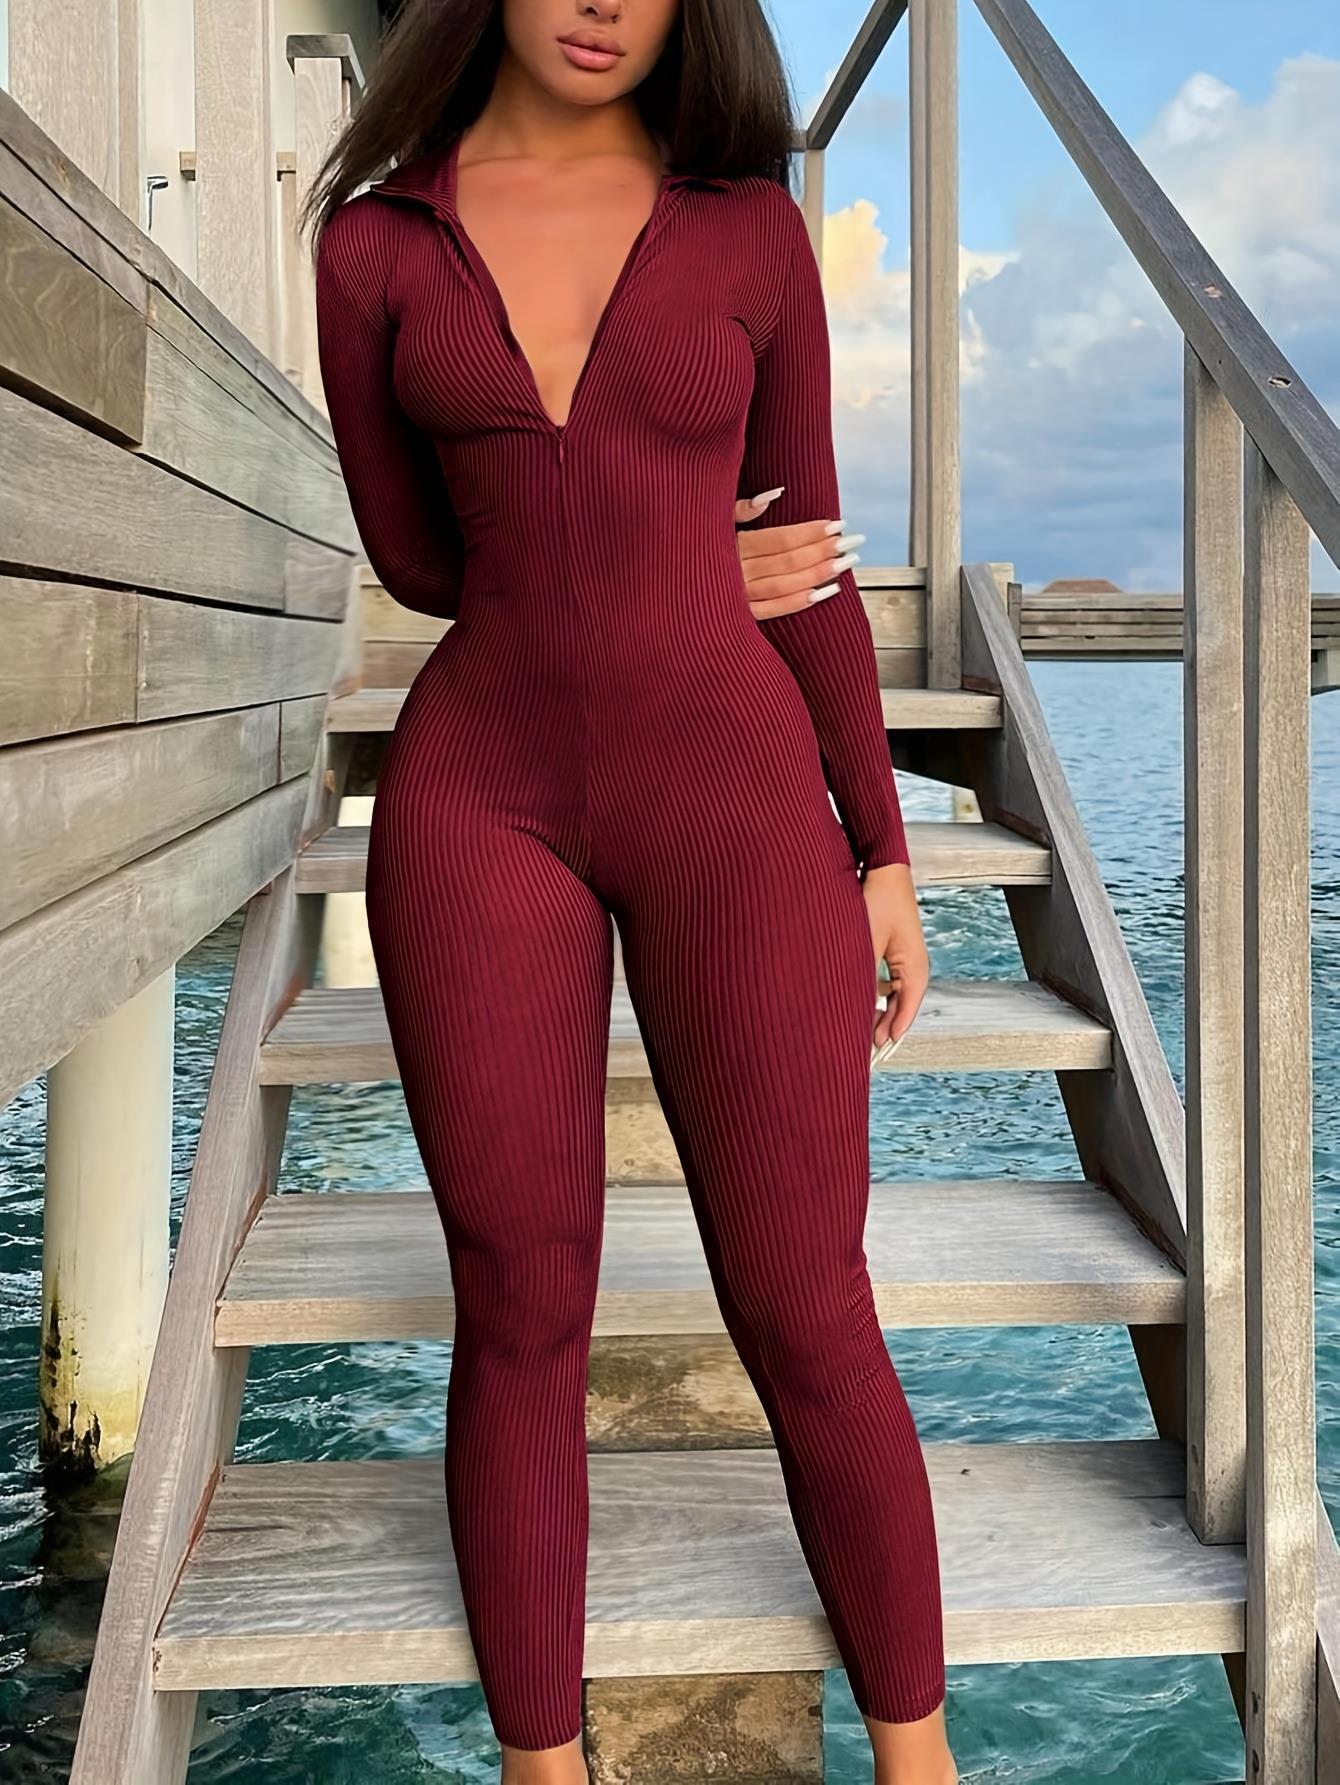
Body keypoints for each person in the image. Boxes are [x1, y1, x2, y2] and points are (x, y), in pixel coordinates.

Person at [306, 2, 953, 1781]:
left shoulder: (749, 229)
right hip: (481, 798)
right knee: (519, 1302)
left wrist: (884, 847)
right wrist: (649, 548)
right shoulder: (374, 246)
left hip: (734, 791)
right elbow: (421, 557)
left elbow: (813, 560)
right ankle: (544, 1766)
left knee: (805, 1298)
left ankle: (923, 1762)